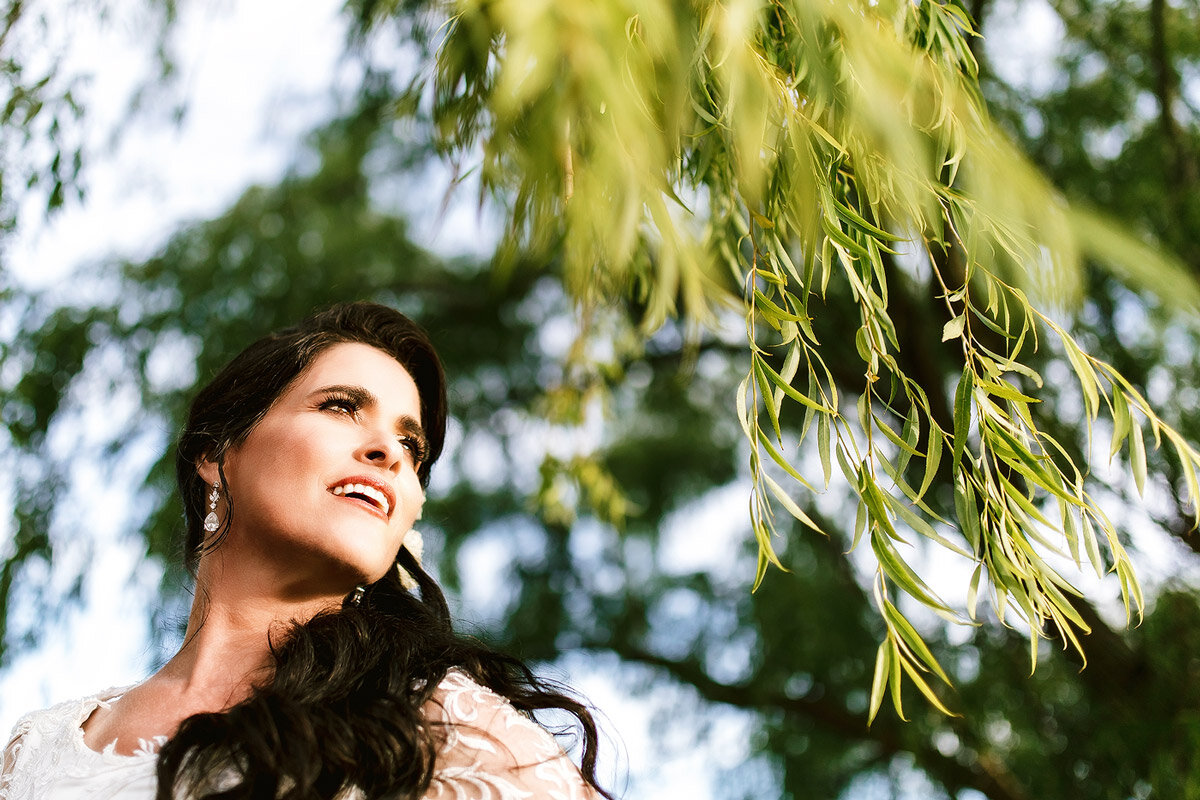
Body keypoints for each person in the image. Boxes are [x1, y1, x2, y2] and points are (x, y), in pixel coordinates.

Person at [0, 302, 612, 799]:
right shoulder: (37, 746)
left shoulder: (439, 721)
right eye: (342, 406)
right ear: (218, 456)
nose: (391, 453)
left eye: (412, 445)